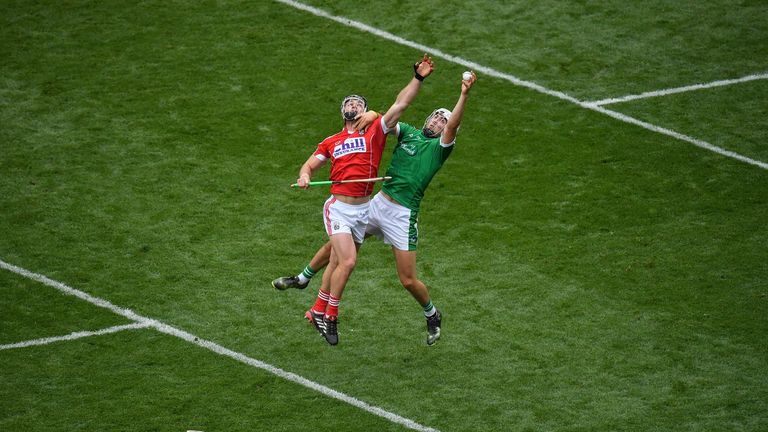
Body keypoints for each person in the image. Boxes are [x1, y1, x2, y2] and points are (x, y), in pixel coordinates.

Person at [274, 71, 478, 346]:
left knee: (407, 280)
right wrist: (370, 114)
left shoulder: (441, 147)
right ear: (427, 118)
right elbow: (389, 117)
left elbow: (453, 125)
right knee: (339, 249)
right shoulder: (409, 134)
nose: (439, 122)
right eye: (436, 117)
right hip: (377, 203)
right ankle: (310, 292)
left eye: (444, 120)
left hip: (403, 216)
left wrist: (463, 94)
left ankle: (432, 314)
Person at [290, 55, 435, 346]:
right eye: (349, 102)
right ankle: (331, 316)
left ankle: (317, 308)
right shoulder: (331, 141)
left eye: (359, 103)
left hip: (363, 210)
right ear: (342, 111)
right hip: (339, 208)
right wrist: (305, 176)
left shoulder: (375, 133)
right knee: (349, 261)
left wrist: (418, 79)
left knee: (337, 260)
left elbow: (401, 104)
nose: (353, 105)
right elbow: (309, 166)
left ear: (365, 111)